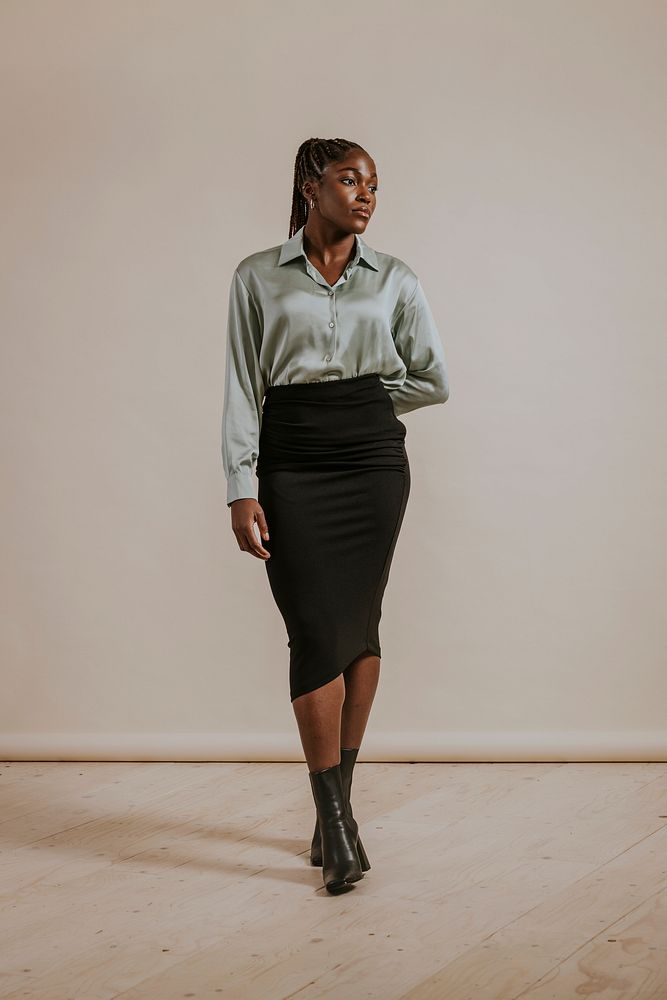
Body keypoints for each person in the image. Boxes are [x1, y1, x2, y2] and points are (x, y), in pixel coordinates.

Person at [221, 137, 449, 894]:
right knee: (314, 628)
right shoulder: (257, 275)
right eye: (349, 180)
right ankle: (337, 815)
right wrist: (239, 483)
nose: (365, 195)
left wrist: (360, 404)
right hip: (292, 461)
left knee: (358, 624)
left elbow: (431, 378)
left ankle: (336, 816)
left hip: (372, 464)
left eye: (374, 184)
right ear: (310, 186)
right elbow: (241, 383)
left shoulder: (395, 279)